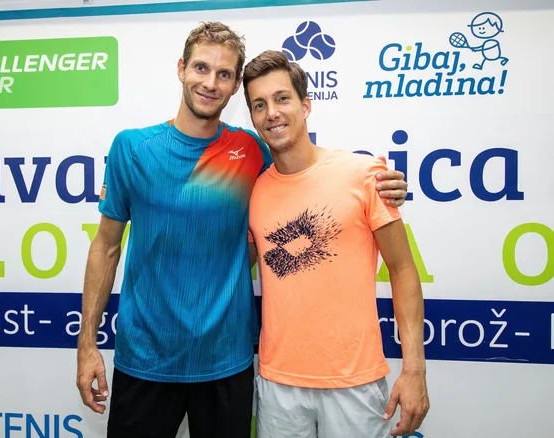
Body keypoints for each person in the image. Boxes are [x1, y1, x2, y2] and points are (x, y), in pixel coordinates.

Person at [76, 22, 409, 438]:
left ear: (234, 87)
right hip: (145, 360)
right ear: (181, 68)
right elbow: (106, 246)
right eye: (201, 68)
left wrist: (381, 181)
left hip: (227, 364)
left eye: (224, 74)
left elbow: (306, 175)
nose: (209, 83)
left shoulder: (251, 151)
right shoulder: (132, 148)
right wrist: (87, 343)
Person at [243, 50, 429, 438]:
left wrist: (414, 370)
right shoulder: (254, 190)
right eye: (259, 105)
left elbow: (403, 269)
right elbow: (235, 265)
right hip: (278, 385)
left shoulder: (364, 174)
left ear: (306, 105)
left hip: (355, 384)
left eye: (281, 98)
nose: (271, 112)